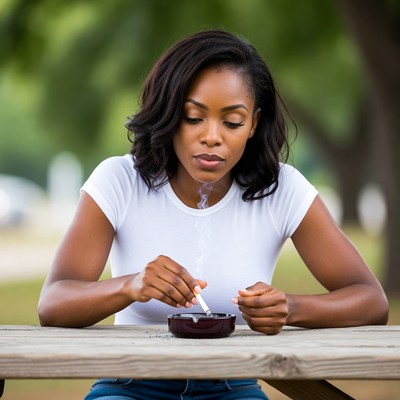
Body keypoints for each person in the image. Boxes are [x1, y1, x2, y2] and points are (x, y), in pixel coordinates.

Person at [38, 30, 389, 400]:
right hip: (129, 385)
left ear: (253, 123)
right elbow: (54, 304)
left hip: (233, 385)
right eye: (193, 117)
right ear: (170, 115)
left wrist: (291, 307)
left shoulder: (280, 190)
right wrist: (131, 286)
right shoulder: (121, 180)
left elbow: (370, 300)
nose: (212, 137)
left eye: (232, 122)